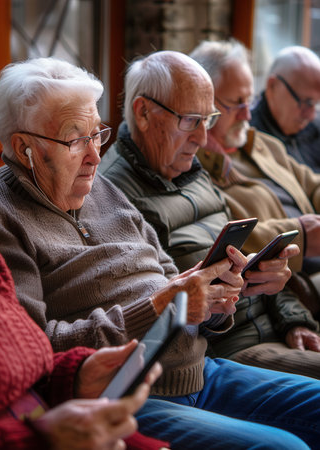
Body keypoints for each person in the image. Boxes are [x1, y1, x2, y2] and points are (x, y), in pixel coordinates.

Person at [0, 56, 319, 450]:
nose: (94, 156)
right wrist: (164, 306)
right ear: (25, 149)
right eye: (76, 140)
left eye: (97, 135)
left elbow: (167, 278)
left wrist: (212, 303)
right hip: (131, 395)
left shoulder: (103, 191)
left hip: (200, 369)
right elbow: (36, 350)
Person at [98, 48, 320, 380]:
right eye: (190, 121)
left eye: (208, 120)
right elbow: (163, 318)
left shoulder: (190, 168)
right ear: (142, 113)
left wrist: (291, 316)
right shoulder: (114, 195)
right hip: (224, 355)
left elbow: (240, 257)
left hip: (273, 333)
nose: (202, 138)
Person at [0, 230, 167, 450]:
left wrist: (74, 377)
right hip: (155, 394)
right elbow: (43, 334)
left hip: (84, 417)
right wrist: (39, 440)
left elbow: (26, 368)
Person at [190, 39, 320, 314]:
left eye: (249, 100)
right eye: (237, 103)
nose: (248, 113)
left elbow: (313, 185)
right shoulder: (191, 163)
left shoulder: (260, 143)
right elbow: (221, 239)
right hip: (295, 284)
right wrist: (301, 236)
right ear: (205, 103)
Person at [250, 45, 320, 173]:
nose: (311, 115)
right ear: (272, 86)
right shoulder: (249, 138)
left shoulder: (316, 127)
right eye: (307, 102)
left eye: (316, 104)